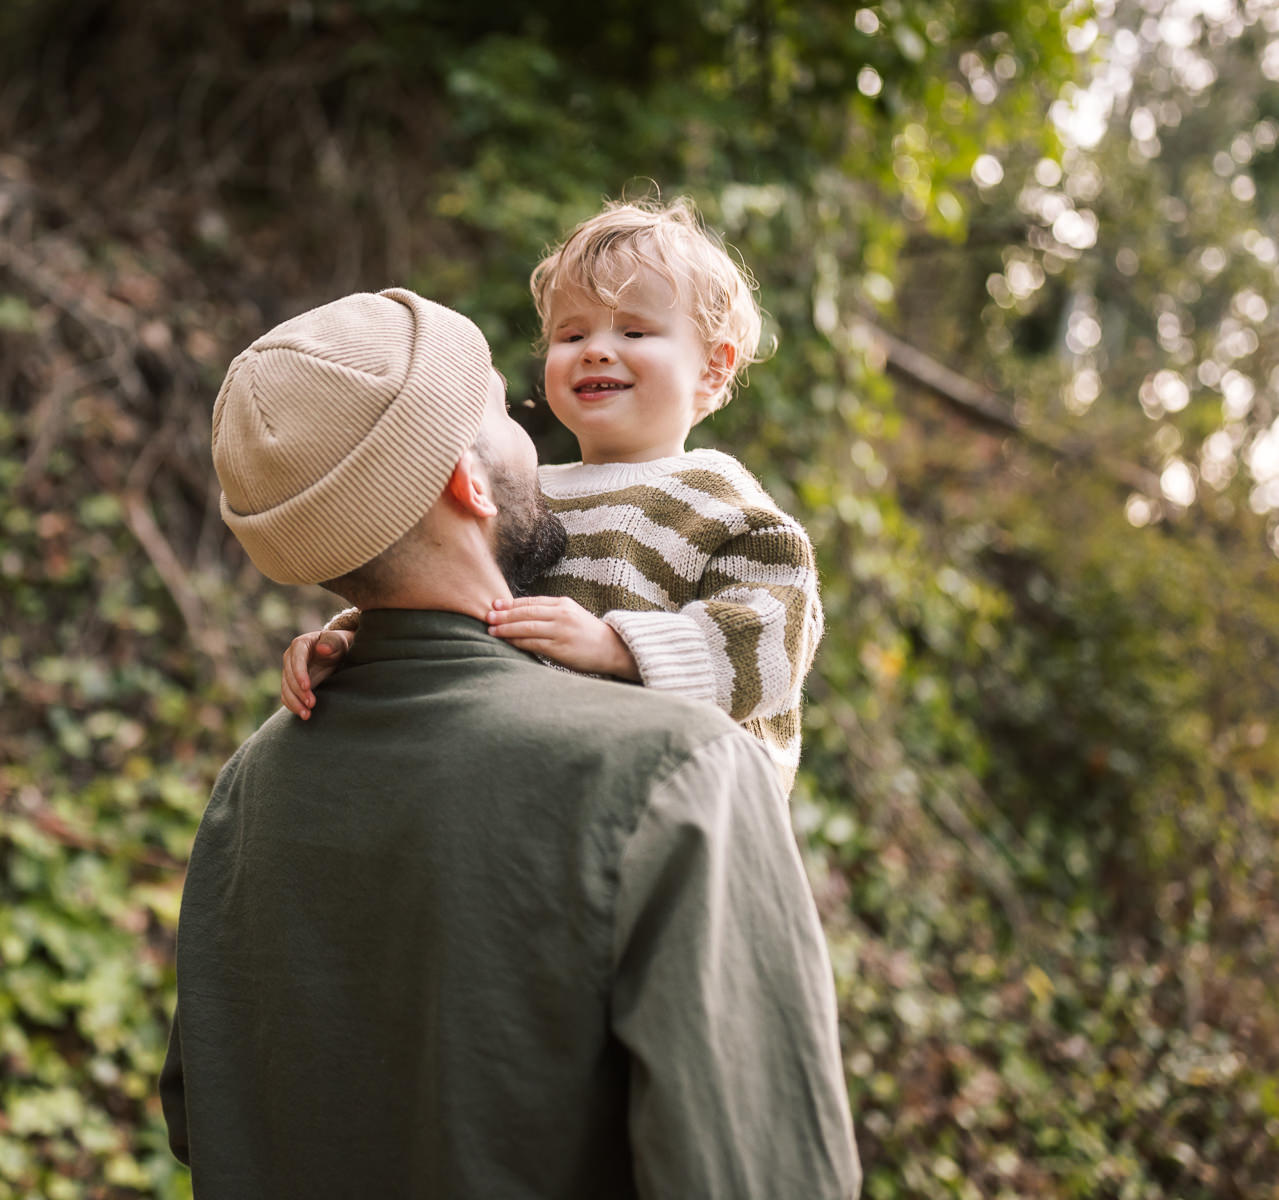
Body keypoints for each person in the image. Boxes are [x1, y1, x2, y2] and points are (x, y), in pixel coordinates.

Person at [161, 286, 859, 1198]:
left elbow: (200, 1113)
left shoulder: (251, 783)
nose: (535, 427)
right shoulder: (674, 775)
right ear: (469, 480)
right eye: (498, 406)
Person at [281, 198, 824, 791]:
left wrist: (617, 647)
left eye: (634, 329)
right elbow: (447, 584)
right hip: (543, 782)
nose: (594, 348)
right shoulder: (530, 498)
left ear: (713, 368)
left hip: (687, 802)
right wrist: (352, 639)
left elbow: (772, 643)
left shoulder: (725, 506)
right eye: (571, 334)